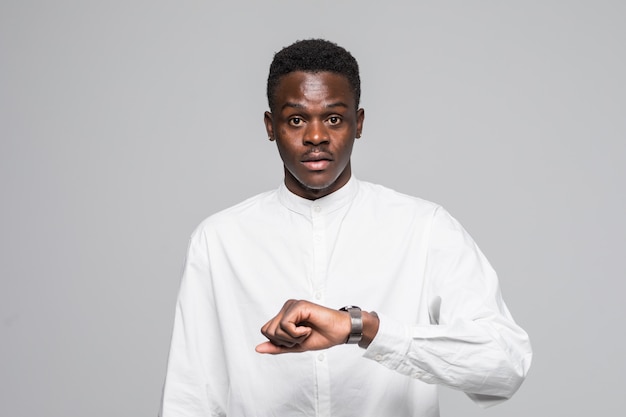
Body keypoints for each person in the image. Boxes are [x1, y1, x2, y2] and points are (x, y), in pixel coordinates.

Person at [159, 39, 532, 417]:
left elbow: (504, 365)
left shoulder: (424, 229)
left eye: (334, 118)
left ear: (359, 123)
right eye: (296, 119)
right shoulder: (218, 240)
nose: (316, 136)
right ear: (271, 127)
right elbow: (189, 398)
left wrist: (364, 329)